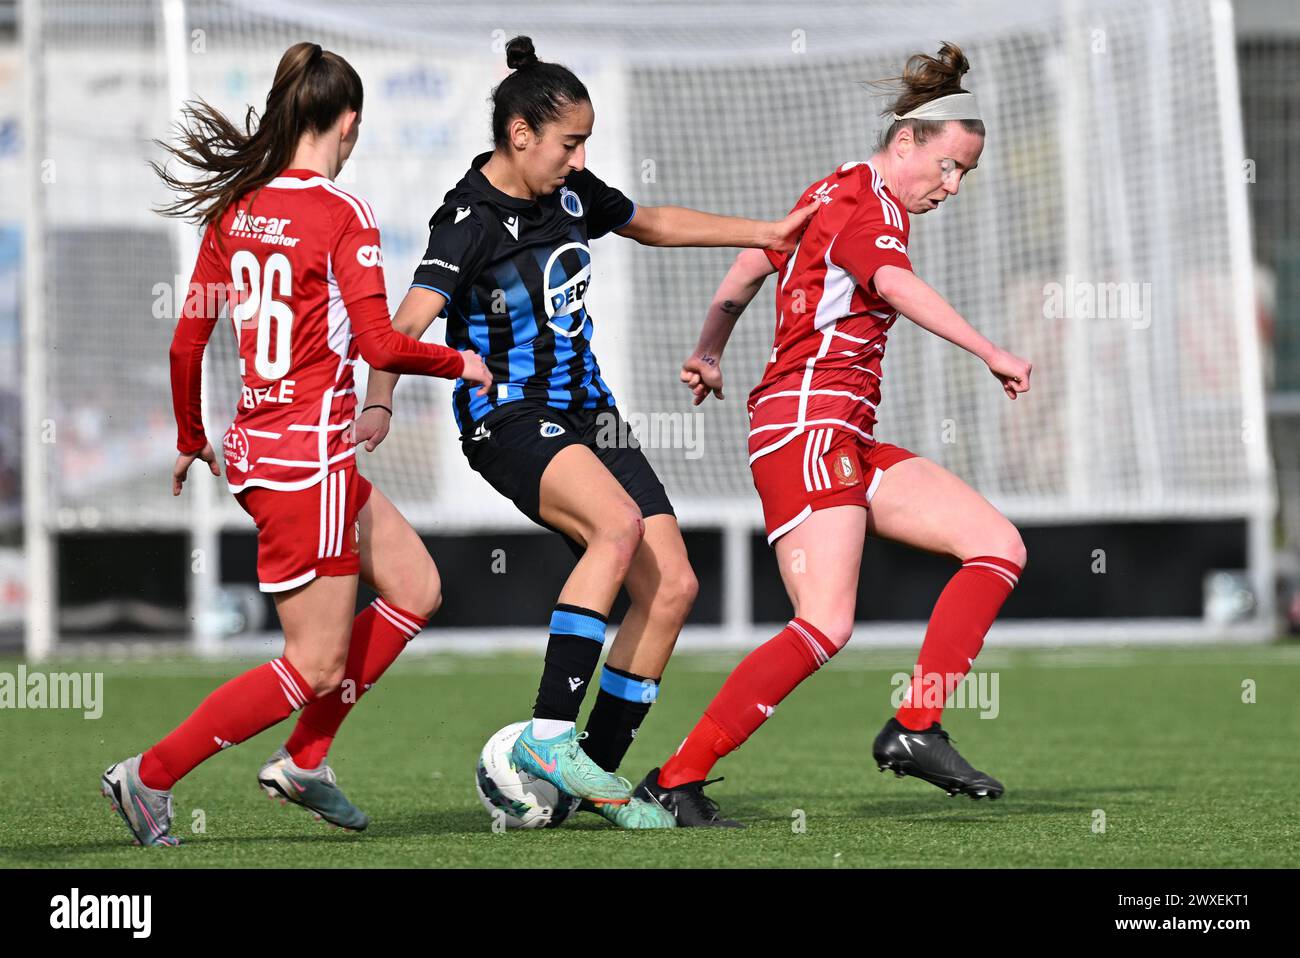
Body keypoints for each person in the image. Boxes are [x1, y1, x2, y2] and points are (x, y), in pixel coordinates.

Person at [358, 35, 815, 829]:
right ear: (520, 134)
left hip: (591, 414)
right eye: (570, 143)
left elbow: (654, 222)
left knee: (672, 587)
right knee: (617, 526)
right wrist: (383, 399)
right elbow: (405, 323)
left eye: (587, 145)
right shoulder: (468, 221)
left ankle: (591, 778)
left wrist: (767, 234)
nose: (578, 160)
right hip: (507, 418)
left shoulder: (570, 195)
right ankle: (544, 735)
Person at [100, 42, 489, 846]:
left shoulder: (236, 209)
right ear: (347, 125)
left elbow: (186, 343)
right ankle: (149, 777)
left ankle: (306, 760)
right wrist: (460, 360)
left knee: (415, 585)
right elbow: (381, 342)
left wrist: (189, 434)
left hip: (270, 452)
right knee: (313, 665)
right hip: (304, 462)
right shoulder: (342, 214)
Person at [636, 42, 1032, 826]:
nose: (950, 187)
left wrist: (710, 348)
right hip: (805, 427)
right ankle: (675, 778)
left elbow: (754, 263)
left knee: (998, 546)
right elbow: (894, 283)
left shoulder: (831, 189)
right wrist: (990, 349)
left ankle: (916, 726)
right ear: (906, 141)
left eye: (965, 176)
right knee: (825, 623)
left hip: (842, 430)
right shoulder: (868, 202)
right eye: (947, 166)